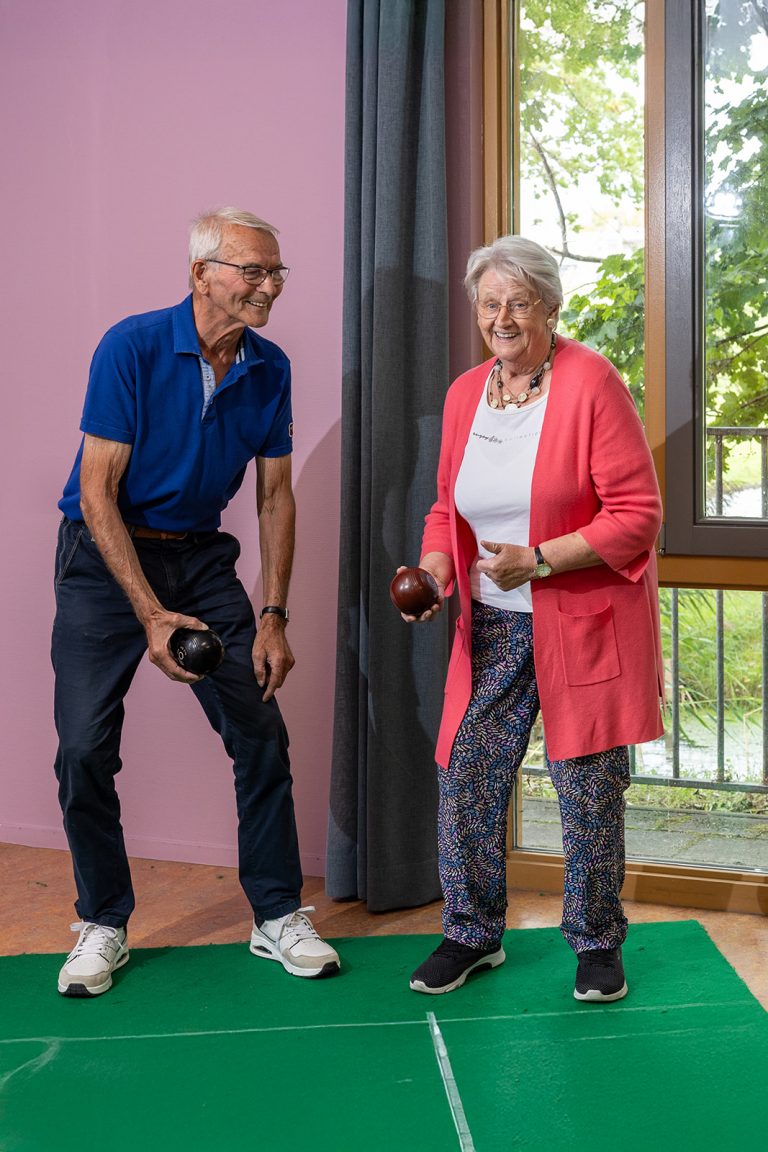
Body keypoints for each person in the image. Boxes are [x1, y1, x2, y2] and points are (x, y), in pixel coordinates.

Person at [53, 207, 340, 996]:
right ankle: (102, 922)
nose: (269, 286)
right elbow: (97, 492)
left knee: (260, 732)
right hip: (104, 556)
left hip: (201, 559)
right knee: (83, 748)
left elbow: (274, 497)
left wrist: (274, 615)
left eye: (276, 271)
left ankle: (276, 913)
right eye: (252, 270)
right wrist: (149, 614)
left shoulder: (270, 367)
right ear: (201, 274)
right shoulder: (132, 346)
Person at [399, 236, 663, 1002]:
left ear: (550, 306)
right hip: (492, 624)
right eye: (490, 304)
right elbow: (447, 509)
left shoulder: (592, 383)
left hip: (581, 620)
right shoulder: (465, 394)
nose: (503, 318)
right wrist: (436, 571)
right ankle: (472, 933)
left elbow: (637, 515)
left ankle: (597, 944)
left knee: (587, 790)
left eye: (519, 303)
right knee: (468, 775)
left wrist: (540, 560)